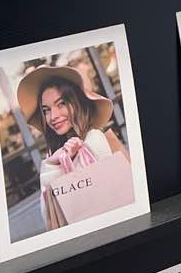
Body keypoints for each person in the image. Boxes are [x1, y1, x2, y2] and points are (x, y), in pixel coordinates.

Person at [15, 63, 131, 230]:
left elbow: (98, 201)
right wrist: (52, 163)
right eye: (46, 110)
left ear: (77, 102)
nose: (53, 116)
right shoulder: (56, 152)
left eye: (61, 104)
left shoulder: (94, 140)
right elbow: (50, 216)